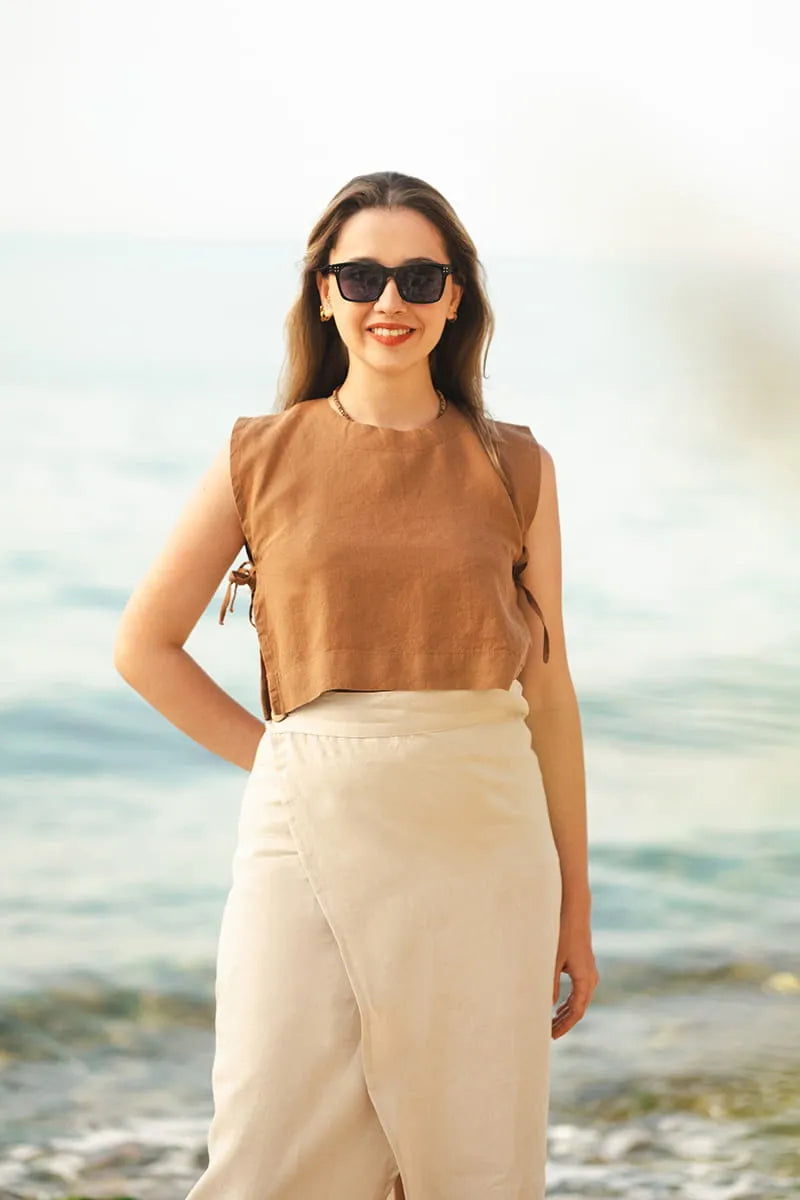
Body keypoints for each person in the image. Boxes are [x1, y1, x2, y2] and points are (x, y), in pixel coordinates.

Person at [113, 169, 598, 1200]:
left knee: (472, 1154)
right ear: (323, 292)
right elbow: (144, 646)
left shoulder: (518, 467)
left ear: (455, 297)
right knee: (271, 1148)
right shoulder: (260, 453)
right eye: (363, 275)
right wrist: (283, 760)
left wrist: (575, 907)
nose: (391, 302)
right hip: (309, 829)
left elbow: (549, 698)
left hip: (485, 846)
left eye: (420, 276)